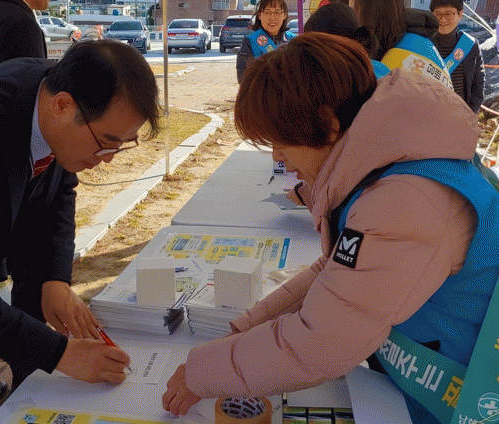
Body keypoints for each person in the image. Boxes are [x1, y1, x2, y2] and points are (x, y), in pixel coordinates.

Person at [162, 33, 498, 424]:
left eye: (281, 141)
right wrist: (248, 327)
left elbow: (321, 343)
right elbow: (340, 275)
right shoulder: (391, 160)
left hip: (459, 397)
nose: (279, 158)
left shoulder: (406, 200)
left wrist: (203, 373)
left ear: (327, 123)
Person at [0, 40, 160, 424]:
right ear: (63, 106)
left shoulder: (55, 96)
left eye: (121, 145)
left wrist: (53, 279)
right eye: (105, 143)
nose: (108, 160)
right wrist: (60, 353)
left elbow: (59, 191)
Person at [349, 0, 451, 86]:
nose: (351, 17)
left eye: (353, 10)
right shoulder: (417, 40)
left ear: (371, 13)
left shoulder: (396, 56)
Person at [430, 0, 485, 112]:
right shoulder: (423, 43)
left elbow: (478, 82)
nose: (442, 19)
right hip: (429, 113)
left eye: (448, 14)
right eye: (437, 14)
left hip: (461, 114)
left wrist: (471, 111)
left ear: (460, 14)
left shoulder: (470, 45)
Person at [236, 0, 295, 83]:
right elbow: (243, 79)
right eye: (267, 13)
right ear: (259, 15)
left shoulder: (294, 41)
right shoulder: (249, 42)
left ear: (285, 15)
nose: (272, 18)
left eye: (277, 12)